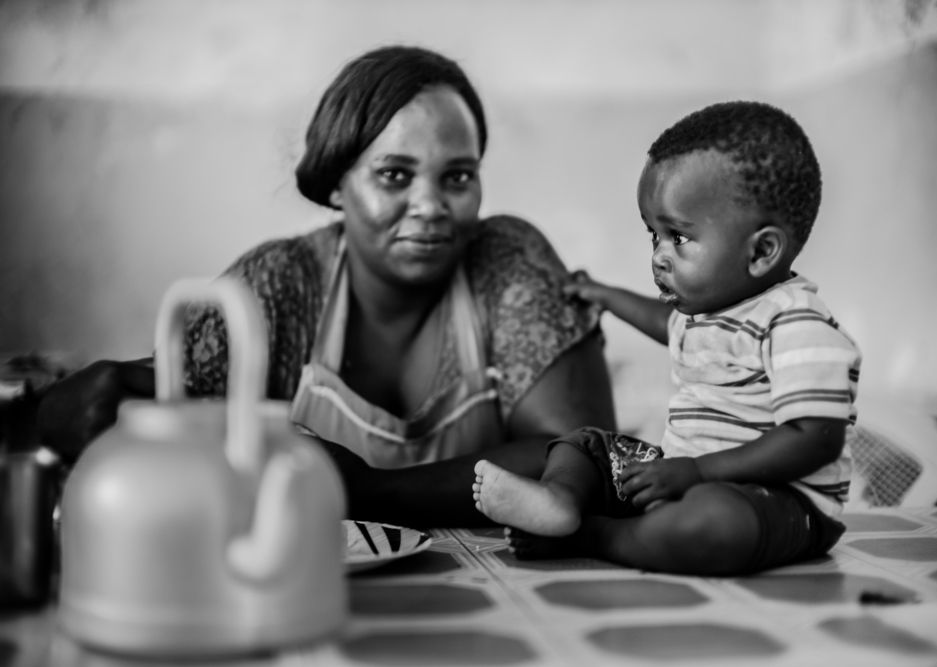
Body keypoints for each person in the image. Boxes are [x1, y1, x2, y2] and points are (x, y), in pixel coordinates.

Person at [36, 45, 617, 527]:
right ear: (337, 184)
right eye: (395, 175)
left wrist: (368, 490)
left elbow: (580, 452)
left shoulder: (507, 262)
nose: (431, 206)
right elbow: (165, 421)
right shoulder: (277, 287)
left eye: (458, 177)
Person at [472, 100, 862, 575]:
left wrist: (697, 473)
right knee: (583, 445)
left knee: (713, 521)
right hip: (686, 472)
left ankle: (591, 534)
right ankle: (560, 501)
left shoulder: (796, 323)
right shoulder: (707, 312)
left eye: (677, 236)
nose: (659, 255)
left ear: (761, 251)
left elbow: (814, 440)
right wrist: (602, 294)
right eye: (652, 235)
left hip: (778, 502)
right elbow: (662, 323)